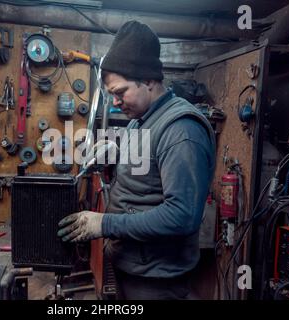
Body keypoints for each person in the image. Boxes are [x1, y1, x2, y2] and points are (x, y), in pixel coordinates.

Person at [57, 20, 216, 300]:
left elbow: (182, 217)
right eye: (112, 95)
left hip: (156, 280)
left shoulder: (182, 131)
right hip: (131, 266)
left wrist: (104, 224)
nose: (115, 102)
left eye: (120, 92)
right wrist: (113, 149)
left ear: (150, 80)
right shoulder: (142, 120)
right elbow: (148, 168)